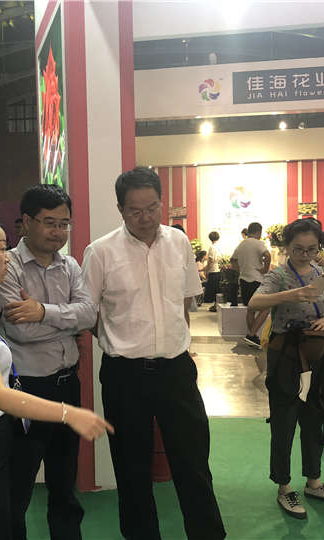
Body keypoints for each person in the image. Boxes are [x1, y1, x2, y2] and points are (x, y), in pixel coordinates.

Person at [0, 215, 112, 540]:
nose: (7, 257)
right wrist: (69, 413)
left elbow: (88, 314)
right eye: (1, 248)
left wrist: (44, 314)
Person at [82, 167, 225, 540]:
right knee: (131, 469)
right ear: (120, 209)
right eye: (135, 211)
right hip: (125, 376)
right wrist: (120, 341)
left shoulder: (178, 242)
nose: (145, 218)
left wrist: (176, 345)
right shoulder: (100, 252)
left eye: (152, 208)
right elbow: (88, 313)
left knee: (193, 461)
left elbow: (183, 303)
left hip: (176, 370)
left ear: (163, 203)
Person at [0, 185, 97, 540]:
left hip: (67, 384)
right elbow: (22, 332)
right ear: (26, 222)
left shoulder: (71, 265)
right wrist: (66, 320)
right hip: (27, 390)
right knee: (18, 485)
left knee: (65, 483)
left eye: (64, 224)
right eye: (50, 223)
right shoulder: (8, 266)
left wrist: (42, 312)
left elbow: (89, 315)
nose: (58, 232)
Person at [248, 218, 324, 520]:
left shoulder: (321, 275)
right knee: (284, 422)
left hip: (315, 355)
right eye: (298, 249)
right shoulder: (278, 275)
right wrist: (290, 295)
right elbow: (254, 302)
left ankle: (314, 482)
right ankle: (284, 486)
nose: (305, 255)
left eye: (312, 249)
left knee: (315, 418)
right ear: (287, 248)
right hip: (287, 358)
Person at [230, 222, 271, 348]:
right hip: (256, 280)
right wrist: (265, 269)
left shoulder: (241, 244)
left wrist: (240, 270)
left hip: (243, 279)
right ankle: (251, 334)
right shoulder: (258, 243)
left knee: (250, 309)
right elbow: (267, 255)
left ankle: (252, 337)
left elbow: (232, 260)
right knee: (266, 308)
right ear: (258, 232)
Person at [204, 231, 221, 311]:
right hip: (218, 269)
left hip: (213, 270)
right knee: (217, 289)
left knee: (212, 290)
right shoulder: (218, 247)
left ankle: (215, 306)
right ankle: (216, 305)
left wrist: (207, 270)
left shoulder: (212, 247)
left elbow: (210, 260)